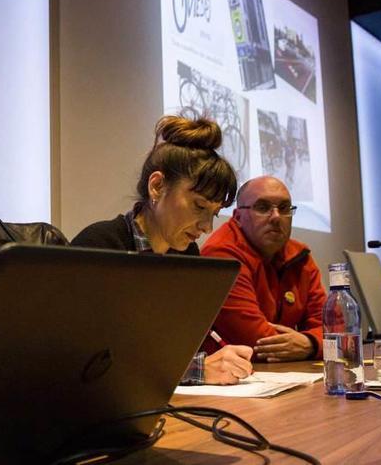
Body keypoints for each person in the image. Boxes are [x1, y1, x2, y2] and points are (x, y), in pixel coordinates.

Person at [72, 115, 253, 385]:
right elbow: (83, 361)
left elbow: (170, 351)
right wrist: (196, 370)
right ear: (156, 186)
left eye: (214, 213)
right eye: (199, 206)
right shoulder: (100, 246)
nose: (206, 226)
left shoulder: (187, 257)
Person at [200, 175, 325, 362]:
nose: (276, 217)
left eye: (284, 208)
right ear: (238, 217)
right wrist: (316, 343)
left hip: (280, 376)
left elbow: (337, 331)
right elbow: (257, 341)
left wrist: (310, 343)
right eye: (263, 207)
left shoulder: (301, 257)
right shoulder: (221, 254)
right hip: (232, 381)